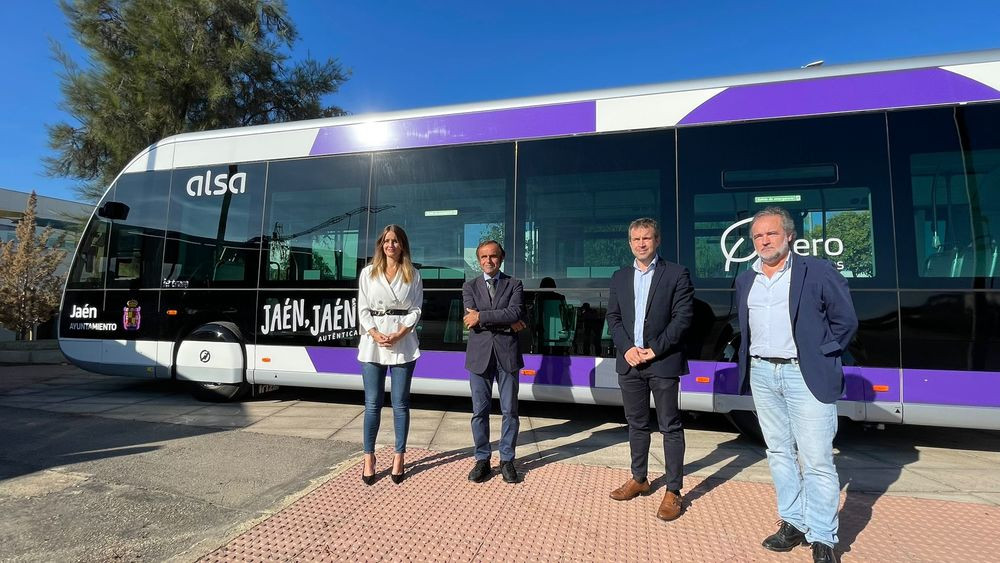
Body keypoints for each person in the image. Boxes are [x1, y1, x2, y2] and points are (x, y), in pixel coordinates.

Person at [735, 207, 858, 563]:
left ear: (789, 236)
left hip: (804, 373)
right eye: (758, 236)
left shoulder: (817, 271)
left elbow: (845, 321)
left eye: (771, 234)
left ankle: (823, 537)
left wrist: (824, 353)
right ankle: (793, 522)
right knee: (778, 452)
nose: (764, 241)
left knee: (817, 459)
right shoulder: (747, 279)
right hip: (762, 372)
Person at [605, 218, 694, 521]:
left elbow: (683, 318)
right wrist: (628, 348)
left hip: (663, 361)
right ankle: (639, 479)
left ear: (657, 240)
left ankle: (673, 490)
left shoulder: (676, 273)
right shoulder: (619, 277)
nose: (641, 243)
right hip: (630, 364)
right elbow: (613, 319)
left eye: (647, 238)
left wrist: (655, 349)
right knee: (636, 424)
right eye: (635, 239)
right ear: (629, 243)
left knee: (670, 426)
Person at [357, 224, 423, 485]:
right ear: (381, 244)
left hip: (402, 342)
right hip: (373, 343)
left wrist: (399, 334)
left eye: (395, 241)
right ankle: (369, 456)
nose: (390, 245)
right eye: (386, 241)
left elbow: (416, 309)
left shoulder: (413, 274)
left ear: (402, 245)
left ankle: (399, 455)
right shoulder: (368, 273)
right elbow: (362, 308)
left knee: (400, 404)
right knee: (372, 404)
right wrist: (374, 333)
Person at [462, 240, 526, 484]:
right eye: (484, 257)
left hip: (506, 356)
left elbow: (515, 313)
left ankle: (507, 460)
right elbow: (471, 319)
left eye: (493, 256)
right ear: (478, 260)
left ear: (502, 257)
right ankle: (482, 459)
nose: (489, 261)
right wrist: (504, 321)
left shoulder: (514, 284)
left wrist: (482, 317)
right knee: (480, 411)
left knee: (510, 410)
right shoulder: (469, 286)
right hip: (479, 357)